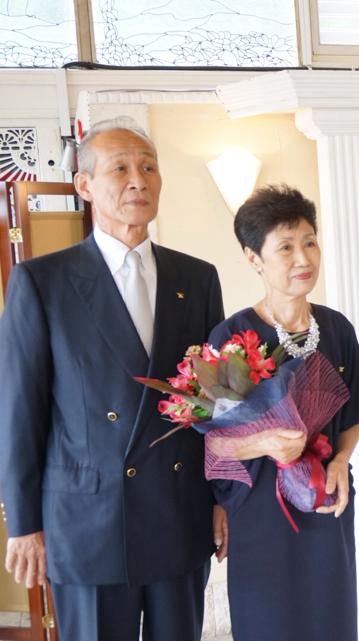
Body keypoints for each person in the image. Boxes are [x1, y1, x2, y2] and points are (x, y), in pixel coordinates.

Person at [0, 117, 224, 641]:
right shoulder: (42, 282)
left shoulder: (197, 278)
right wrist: (24, 524)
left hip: (178, 512)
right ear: (84, 185)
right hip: (88, 521)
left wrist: (222, 499)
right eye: (119, 168)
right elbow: (19, 412)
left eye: (148, 167)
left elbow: (216, 408)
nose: (138, 181)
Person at [207, 185, 359, 641]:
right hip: (259, 510)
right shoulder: (232, 336)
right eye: (285, 247)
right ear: (254, 258)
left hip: (326, 501)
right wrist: (264, 442)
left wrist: (340, 461)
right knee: (268, 623)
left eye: (309, 242)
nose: (303, 258)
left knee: (330, 620)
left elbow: (352, 418)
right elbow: (214, 442)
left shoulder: (337, 329)